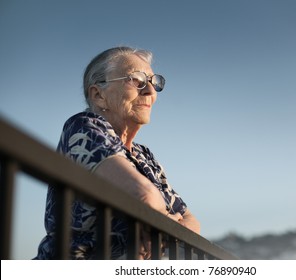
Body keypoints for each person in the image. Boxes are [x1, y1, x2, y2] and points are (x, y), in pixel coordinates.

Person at [34, 46, 200, 260]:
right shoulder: (83, 127)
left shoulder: (145, 156)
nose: (150, 91)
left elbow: (191, 219)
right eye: (137, 80)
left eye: (153, 82)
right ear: (98, 95)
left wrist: (164, 226)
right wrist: (165, 225)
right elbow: (145, 195)